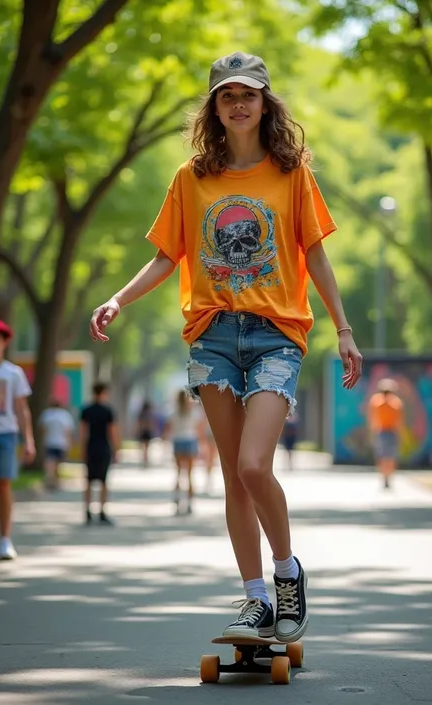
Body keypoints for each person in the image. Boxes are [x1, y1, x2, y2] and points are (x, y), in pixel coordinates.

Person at [89, 51, 362, 643]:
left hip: (276, 334)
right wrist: (118, 299)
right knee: (234, 481)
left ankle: (287, 575)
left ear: (266, 104)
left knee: (252, 465)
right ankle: (255, 599)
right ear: (215, 107)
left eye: (250, 94)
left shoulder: (292, 175)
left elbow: (314, 253)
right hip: (211, 336)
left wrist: (342, 330)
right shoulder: (192, 178)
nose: (239, 104)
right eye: (227, 95)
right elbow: (169, 254)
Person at [0, 320, 35, 560]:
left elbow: (22, 409)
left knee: (4, 485)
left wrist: (28, 440)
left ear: (4, 343)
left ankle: (5, 540)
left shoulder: (13, 373)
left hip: (7, 435)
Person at [80, 382, 120, 525]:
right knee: (103, 481)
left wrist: (82, 449)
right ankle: (102, 511)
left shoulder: (86, 410)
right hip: (103, 448)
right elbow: (112, 432)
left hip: (91, 447)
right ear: (103, 393)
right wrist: (116, 450)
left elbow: (83, 432)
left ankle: (88, 511)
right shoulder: (107, 411)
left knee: (89, 481)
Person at [164, 391, 201, 514]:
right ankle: (190, 503)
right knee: (190, 474)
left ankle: (177, 499)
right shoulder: (193, 413)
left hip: (178, 441)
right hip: (190, 441)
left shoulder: (173, 413)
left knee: (179, 473)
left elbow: (168, 429)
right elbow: (199, 429)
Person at [367, 378, 403, 489]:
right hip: (387, 431)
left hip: (383, 431)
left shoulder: (376, 401)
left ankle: (385, 476)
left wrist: (372, 433)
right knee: (388, 456)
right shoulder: (395, 402)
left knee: (384, 456)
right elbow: (399, 421)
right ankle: (387, 476)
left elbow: (372, 419)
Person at [39, 398, 75, 490]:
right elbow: (68, 431)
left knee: (50, 461)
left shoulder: (46, 414)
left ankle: (51, 478)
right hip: (61, 443)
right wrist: (69, 443)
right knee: (58, 463)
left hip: (49, 441)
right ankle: (56, 481)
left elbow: (42, 429)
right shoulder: (65, 415)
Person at [199, 410, 218, 494]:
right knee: (210, 459)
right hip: (210, 434)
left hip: (213, 434)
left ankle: (209, 480)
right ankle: (208, 480)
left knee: (211, 459)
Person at [136, 400, 154, 467]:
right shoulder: (149, 414)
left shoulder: (141, 414)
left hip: (143, 431)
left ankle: (144, 457)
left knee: (143, 445)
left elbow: (139, 423)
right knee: (146, 446)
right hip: (147, 431)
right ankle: (145, 457)